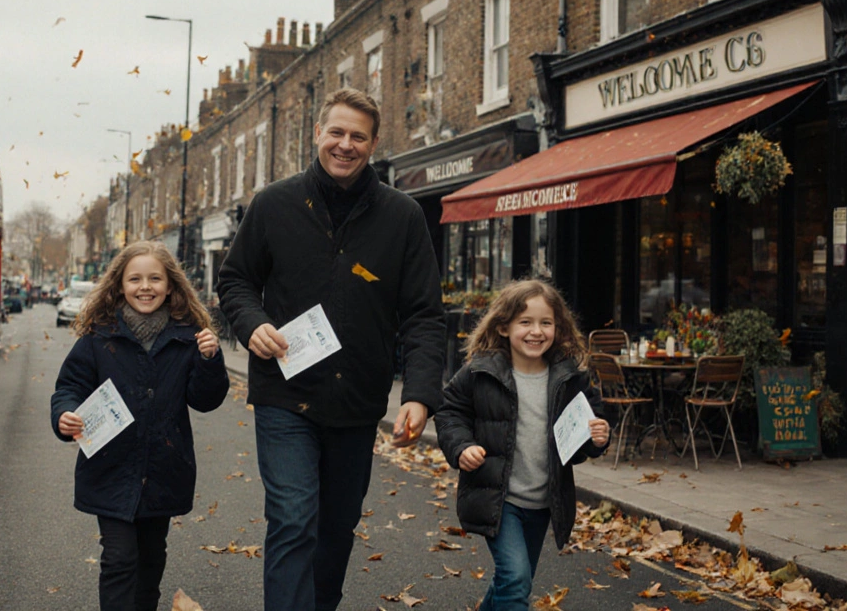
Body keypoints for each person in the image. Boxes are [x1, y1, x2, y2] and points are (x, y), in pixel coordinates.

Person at [217, 87, 446, 611]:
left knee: (336, 529)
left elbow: (423, 314)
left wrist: (419, 394)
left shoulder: (403, 216)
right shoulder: (273, 204)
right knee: (293, 519)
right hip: (285, 393)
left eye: (358, 137)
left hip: (357, 402)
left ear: (374, 143)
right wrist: (252, 323)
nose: (345, 145)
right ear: (318, 133)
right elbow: (236, 280)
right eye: (336, 132)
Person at [50, 241, 229, 611]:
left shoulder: (188, 337)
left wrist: (210, 360)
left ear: (170, 285)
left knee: (150, 562)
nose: (145, 286)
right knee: (119, 559)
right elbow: (70, 387)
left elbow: (205, 400)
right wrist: (65, 413)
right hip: (110, 468)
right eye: (135, 279)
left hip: (163, 470)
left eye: (154, 279)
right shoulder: (99, 336)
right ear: (119, 285)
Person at [434, 279, 611, 611]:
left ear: (558, 328)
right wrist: (461, 447)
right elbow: (449, 412)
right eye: (525, 322)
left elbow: (588, 426)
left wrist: (598, 438)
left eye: (546, 323)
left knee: (514, 580)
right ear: (504, 326)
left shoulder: (570, 377)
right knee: (515, 581)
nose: (536, 331)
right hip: (499, 499)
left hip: (544, 501)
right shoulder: (481, 371)